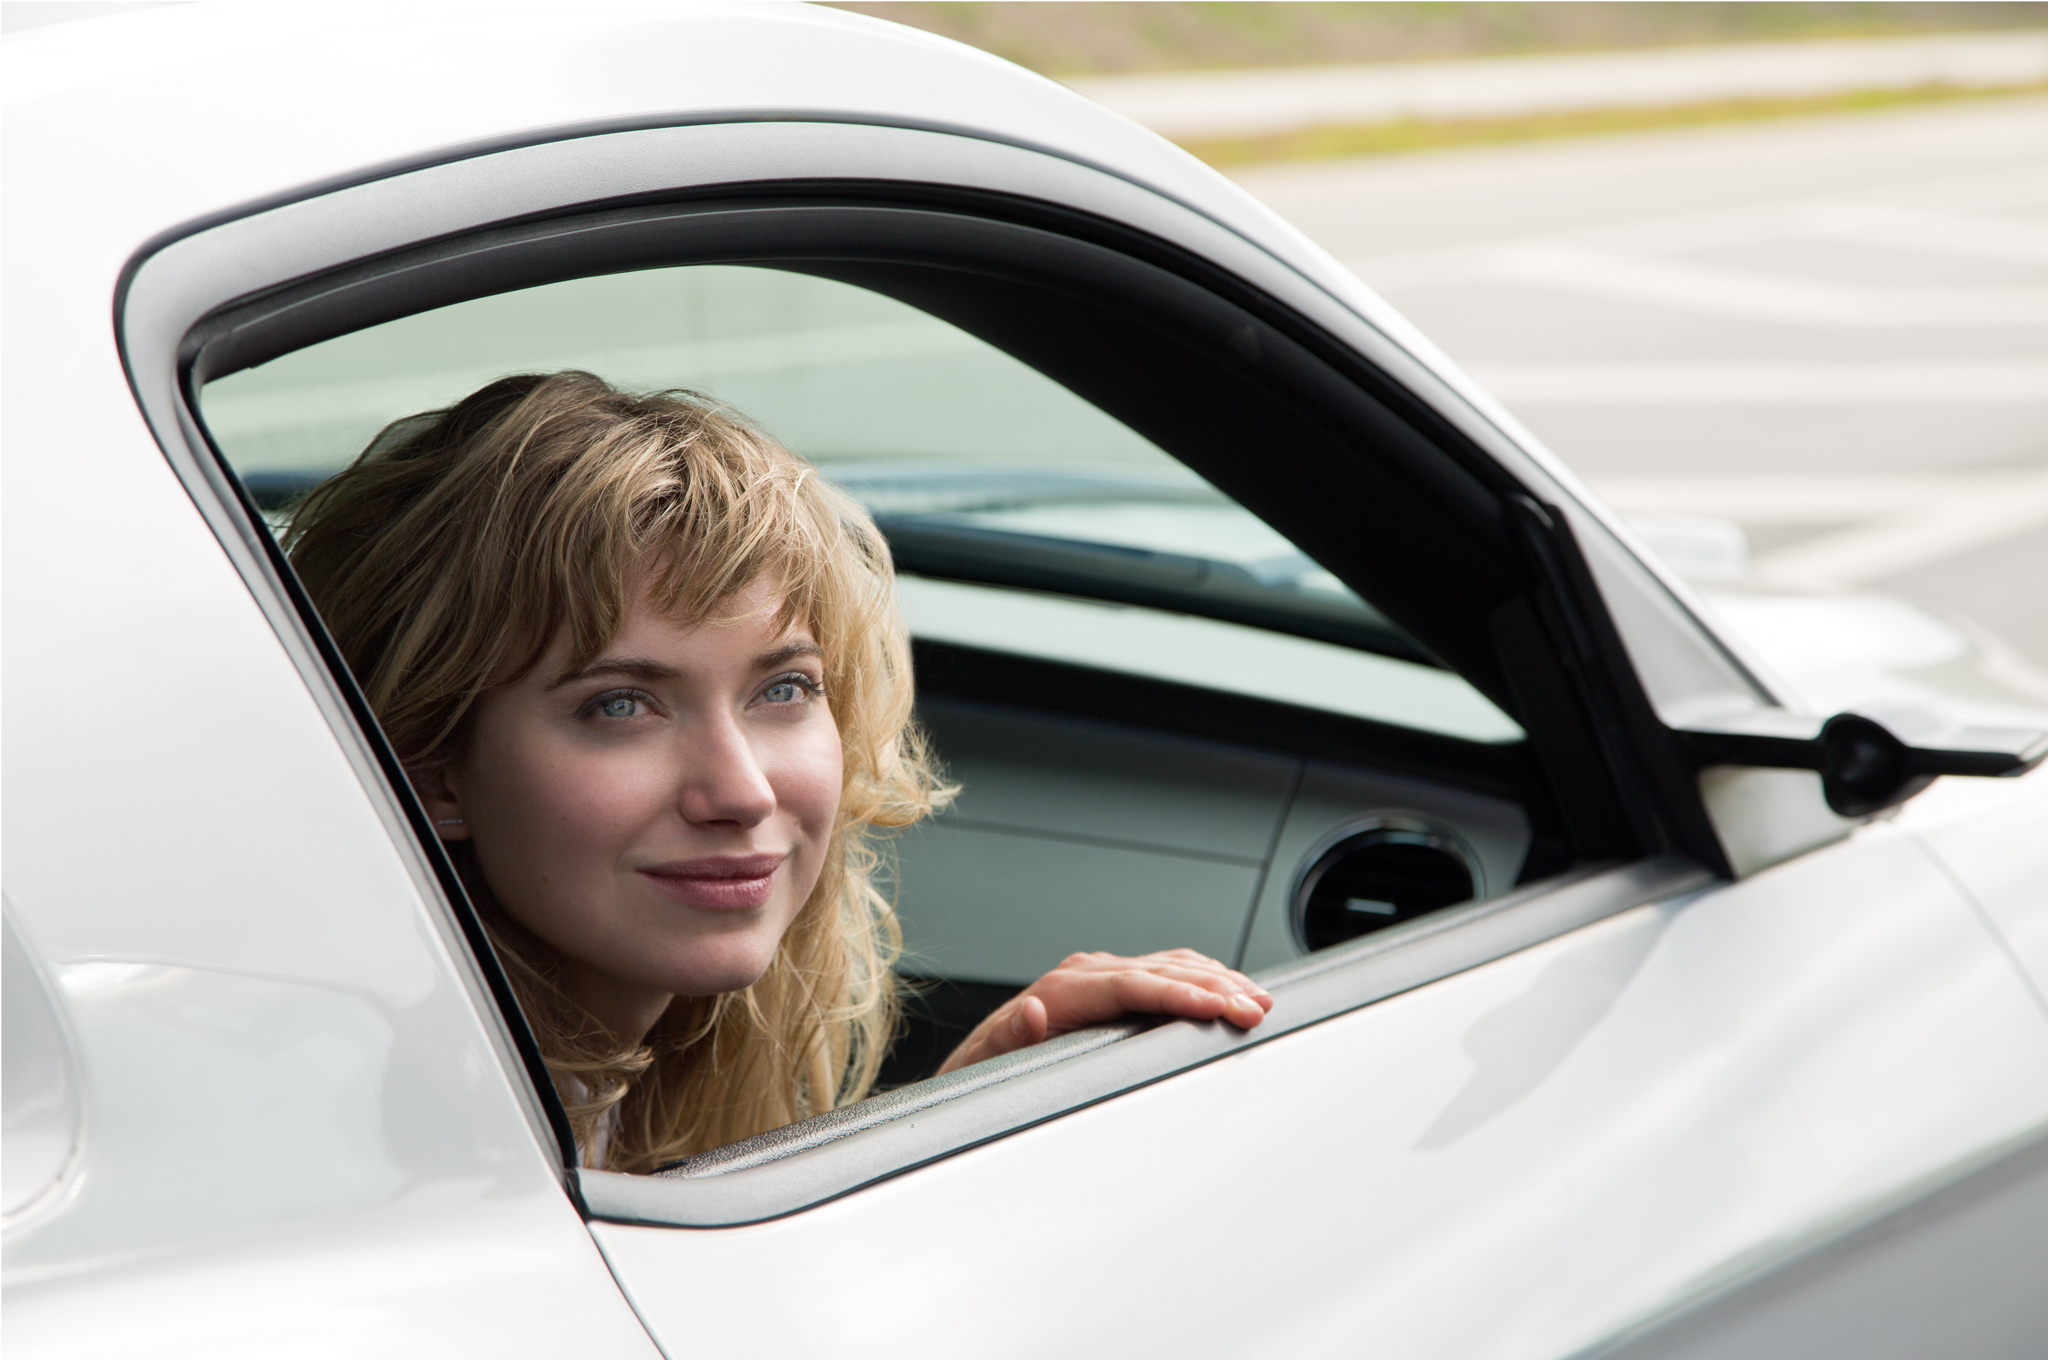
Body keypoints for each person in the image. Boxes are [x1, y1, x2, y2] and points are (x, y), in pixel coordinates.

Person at [286, 370, 1271, 1173]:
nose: (742, 791)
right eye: (620, 706)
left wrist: (956, 1123)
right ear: (431, 775)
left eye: (784, 689)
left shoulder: (542, 1102)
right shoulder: (388, 1145)